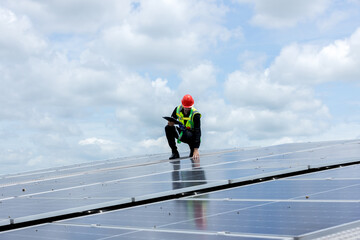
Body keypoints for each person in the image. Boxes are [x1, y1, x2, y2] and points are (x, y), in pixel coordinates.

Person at [165, 94, 201, 162]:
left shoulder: (196, 114)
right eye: (186, 107)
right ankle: (174, 152)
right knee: (168, 128)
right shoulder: (177, 109)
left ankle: (192, 149)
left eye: (189, 107)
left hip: (191, 136)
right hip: (182, 133)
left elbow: (197, 131)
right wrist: (170, 123)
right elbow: (172, 120)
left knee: (193, 155)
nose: (187, 109)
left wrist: (196, 149)